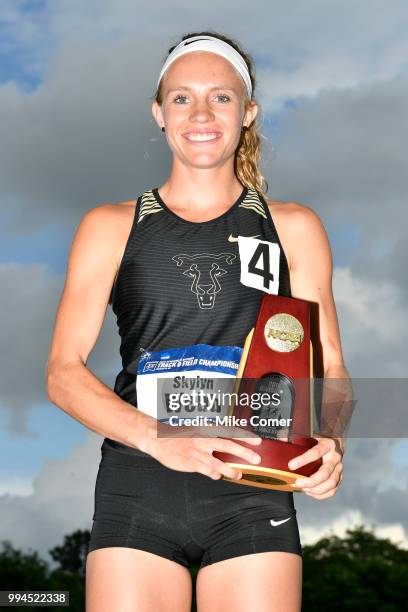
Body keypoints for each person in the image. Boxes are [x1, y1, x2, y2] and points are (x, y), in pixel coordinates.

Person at [46, 30, 347, 612]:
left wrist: (332, 440)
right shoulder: (109, 225)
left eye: (221, 97)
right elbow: (62, 372)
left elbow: (329, 363)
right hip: (140, 481)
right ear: (159, 114)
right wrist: (164, 443)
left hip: (255, 486)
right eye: (182, 98)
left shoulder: (294, 227)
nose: (201, 113)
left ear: (248, 111)